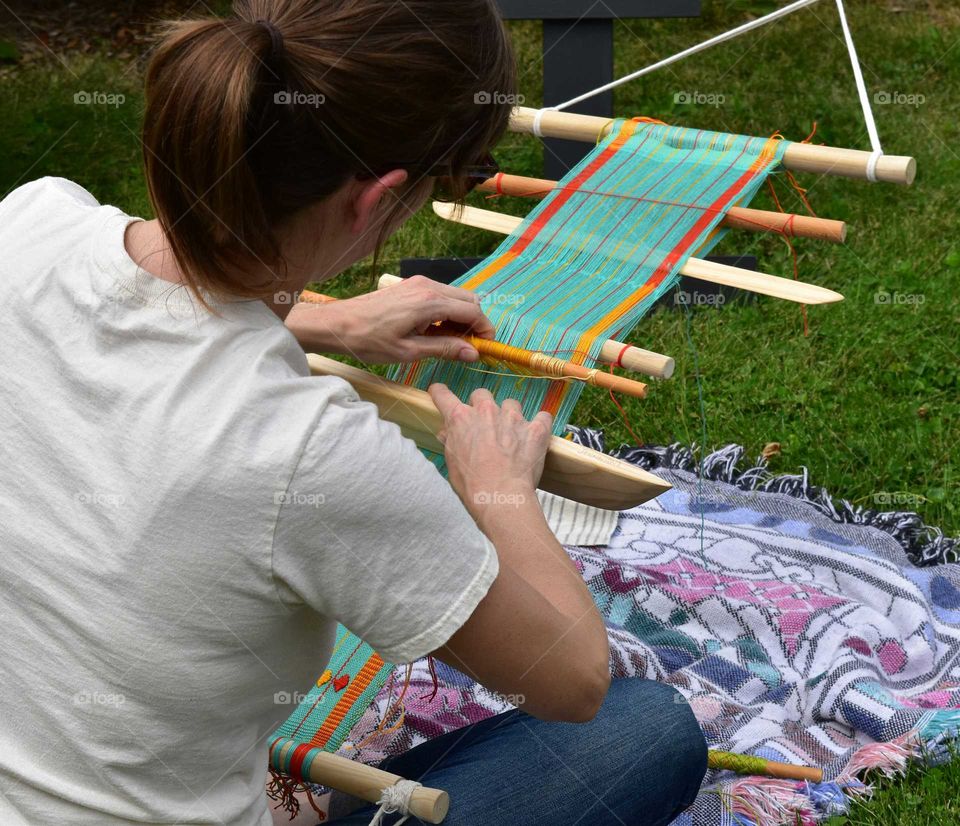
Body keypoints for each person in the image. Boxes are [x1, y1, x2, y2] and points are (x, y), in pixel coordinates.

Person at [0, 1, 707, 824]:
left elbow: (154, 310)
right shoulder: (308, 450)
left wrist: (330, 320)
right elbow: (574, 680)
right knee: (643, 733)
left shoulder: (29, 222)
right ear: (376, 203)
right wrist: (497, 489)